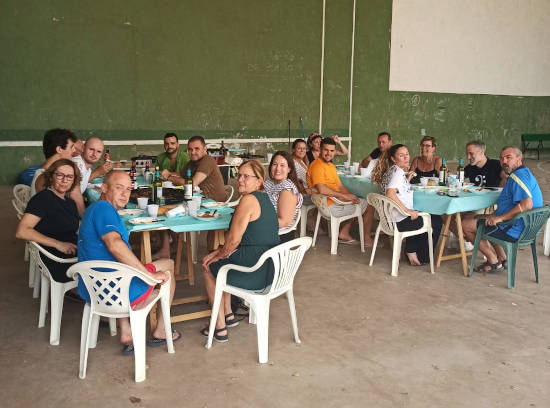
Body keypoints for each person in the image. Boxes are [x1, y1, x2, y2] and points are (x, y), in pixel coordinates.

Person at [77, 170, 181, 354]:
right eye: (119, 188)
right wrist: (147, 274)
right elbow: (115, 245)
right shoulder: (104, 209)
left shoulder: (94, 209)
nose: (125, 194)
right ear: (104, 188)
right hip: (115, 290)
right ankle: (162, 330)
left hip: (93, 287)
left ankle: (126, 331)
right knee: (169, 265)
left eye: (128, 189)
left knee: (127, 265)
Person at [201, 160, 280, 342]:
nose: (240, 180)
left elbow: (233, 241)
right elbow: (235, 243)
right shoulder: (265, 198)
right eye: (239, 175)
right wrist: (219, 252)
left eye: (246, 176)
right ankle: (228, 314)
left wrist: (217, 255)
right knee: (220, 258)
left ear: (259, 181)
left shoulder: (248, 200)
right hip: (270, 267)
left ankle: (219, 326)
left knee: (208, 266)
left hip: (255, 270)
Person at [462, 146, 543, 272]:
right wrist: (495, 216)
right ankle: (502, 258)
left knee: (465, 224)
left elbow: (527, 204)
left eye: (508, 158)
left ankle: (492, 260)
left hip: (516, 230)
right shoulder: (523, 173)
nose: (504, 161)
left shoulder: (518, 177)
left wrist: (499, 218)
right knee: (481, 218)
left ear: (519, 159)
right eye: (501, 158)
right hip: (527, 228)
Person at [375, 144, 442, 265]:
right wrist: (407, 210)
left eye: (407, 154)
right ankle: (422, 257)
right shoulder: (398, 173)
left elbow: (396, 190)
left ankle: (411, 251)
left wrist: (406, 181)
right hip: (399, 222)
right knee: (435, 220)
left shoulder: (392, 170)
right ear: (394, 159)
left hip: (388, 220)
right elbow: (390, 193)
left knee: (417, 213)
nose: (406, 157)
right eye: (401, 155)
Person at [15, 159, 80, 283]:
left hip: (71, 250)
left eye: (69, 177)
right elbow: (21, 231)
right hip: (57, 259)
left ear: (74, 180)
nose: (64, 180)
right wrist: (58, 244)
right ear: (51, 177)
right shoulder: (43, 199)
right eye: (60, 175)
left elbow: (75, 226)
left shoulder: (69, 202)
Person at [306, 137, 376, 247]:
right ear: (320, 149)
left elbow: (340, 186)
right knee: (369, 205)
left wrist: (350, 196)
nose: (329, 153)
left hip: (332, 202)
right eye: (326, 150)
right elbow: (322, 189)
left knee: (356, 200)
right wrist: (345, 196)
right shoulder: (317, 166)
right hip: (330, 206)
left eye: (332, 151)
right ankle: (366, 239)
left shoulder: (330, 166)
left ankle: (344, 232)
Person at [32, 128, 86, 217]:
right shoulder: (46, 176)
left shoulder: (42, 172)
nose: (74, 150)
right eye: (71, 147)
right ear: (59, 149)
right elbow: (76, 199)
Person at [264, 151, 303, 242]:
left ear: (289, 169)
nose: (277, 169)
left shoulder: (287, 189)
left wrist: (256, 223)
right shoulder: (269, 183)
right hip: (266, 230)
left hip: (278, 236)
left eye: (282, 165)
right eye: (275, 164)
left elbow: (284, 222)